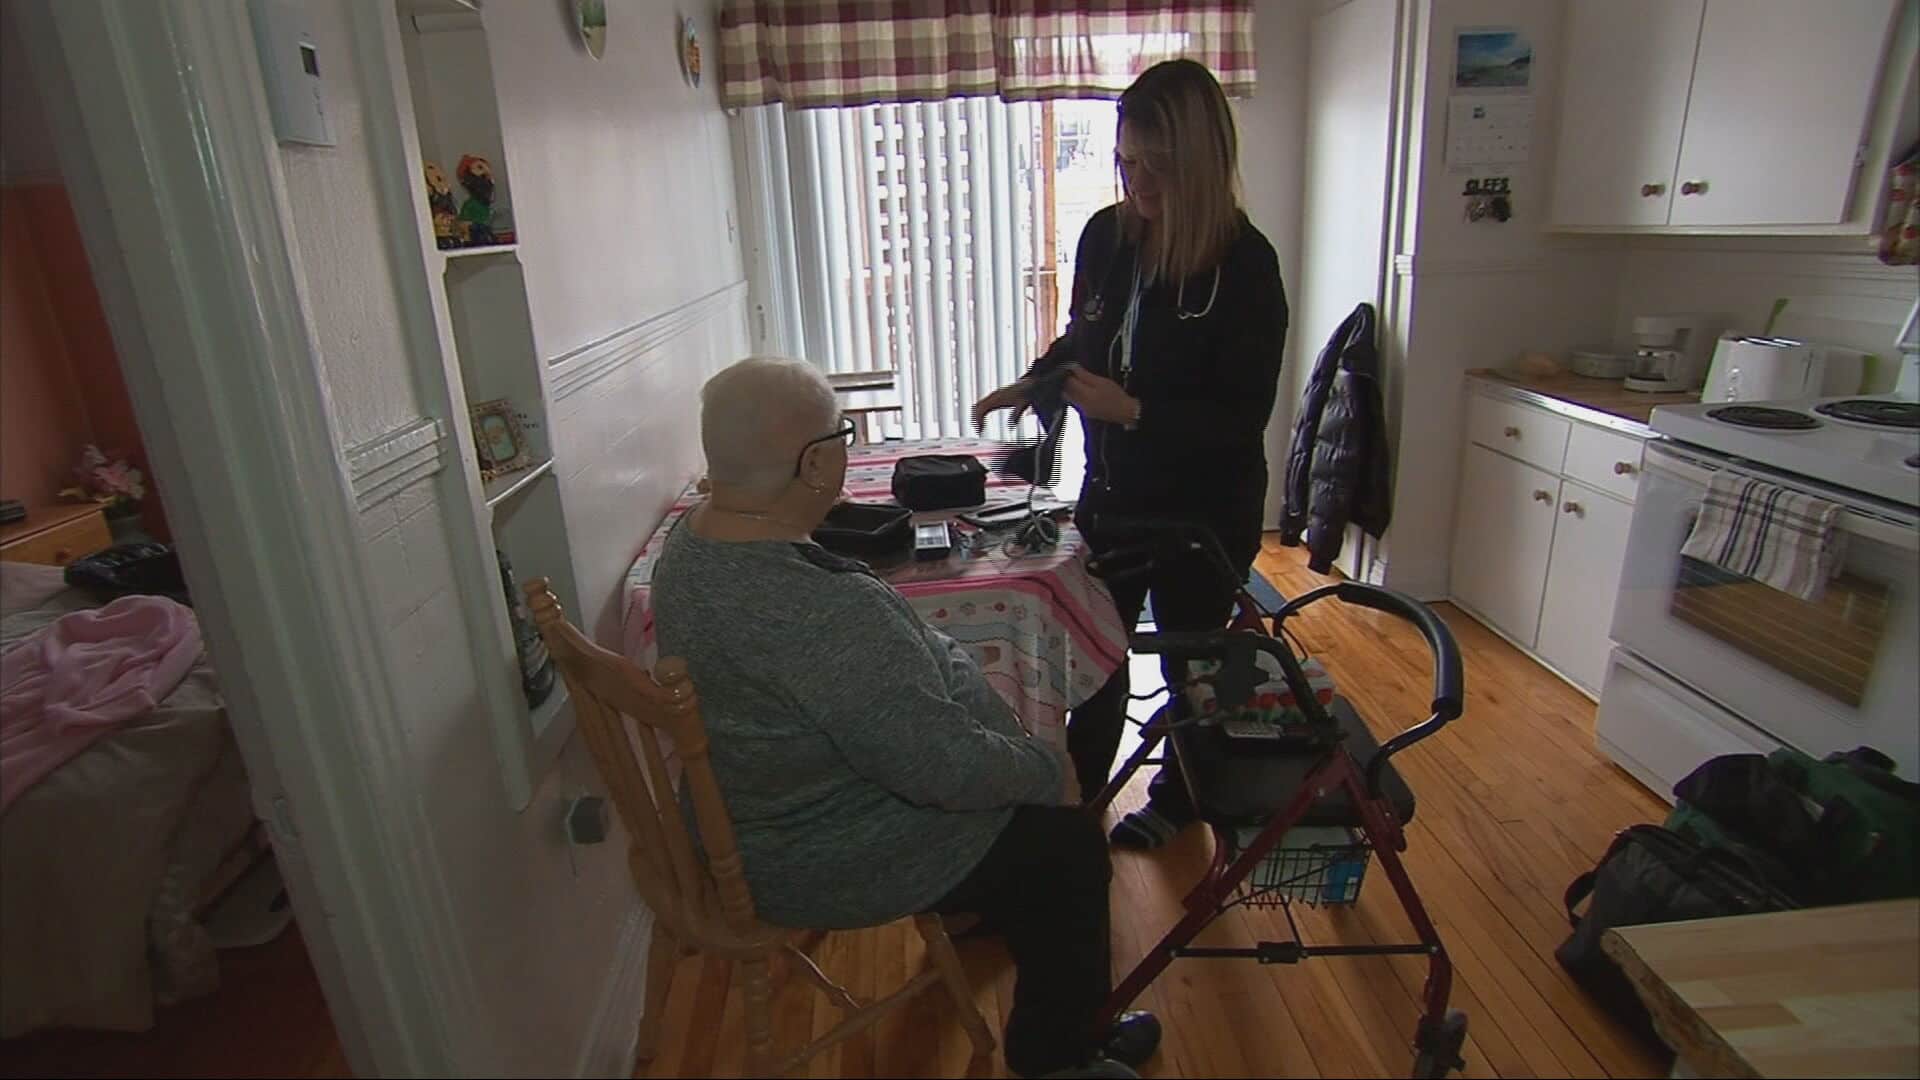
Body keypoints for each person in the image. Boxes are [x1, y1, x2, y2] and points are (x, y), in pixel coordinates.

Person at [651, 357, 1160, 1079]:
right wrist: (1049, 768)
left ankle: (1050, 1008)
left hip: (745, 813)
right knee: (1067, 850)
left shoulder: (691, 544)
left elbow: (909, 672)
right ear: (818, 463)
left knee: (1018, 808)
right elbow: (938, 768)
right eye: (842, 436)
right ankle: (1058, 1061)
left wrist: (958, 692)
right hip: (807, 852)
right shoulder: (822, 613)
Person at [974, 59, 1289, 850]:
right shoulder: (1107, 237)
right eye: (1126, 160)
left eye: (1157, 164)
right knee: (1096, 657)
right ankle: (1080, 804)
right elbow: (1085, 336)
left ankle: (1180, 798)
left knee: (1190, 663)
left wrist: (1135, 410)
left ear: (1204, 163)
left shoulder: (1247, 268)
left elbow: (1240, 416)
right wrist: (1035, 382)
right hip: (1113, 498)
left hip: (1204, 513)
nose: (1137, 181)